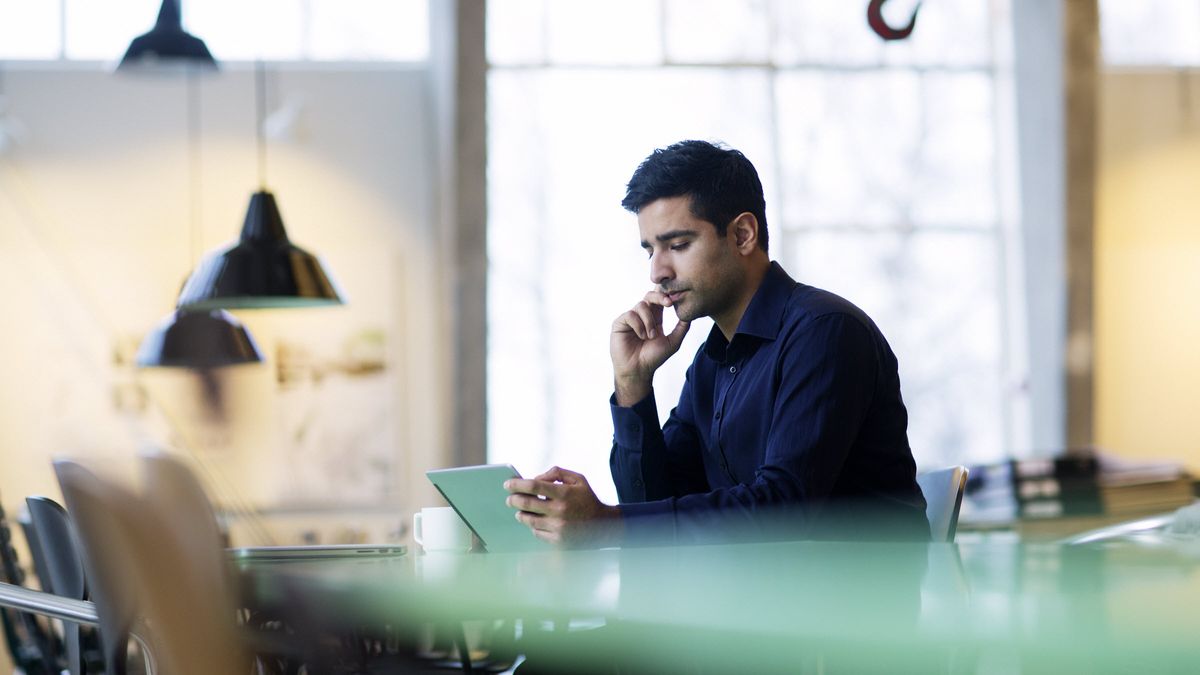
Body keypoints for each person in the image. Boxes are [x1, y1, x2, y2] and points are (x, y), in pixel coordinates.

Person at [504, 140, 929, 547]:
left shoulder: (825, 331)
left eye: (678, 245)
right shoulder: (712, 359)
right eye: (649, 250)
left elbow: (784, 510)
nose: (657, 271)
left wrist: (605, 525)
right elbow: (652, 505)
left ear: (743, 234)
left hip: (849, 613)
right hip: (756, 605)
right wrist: (632, 384)